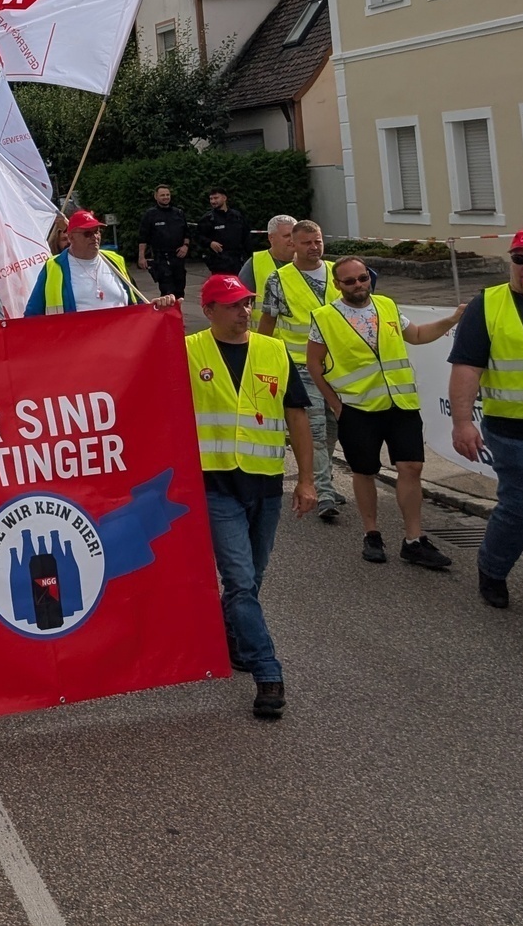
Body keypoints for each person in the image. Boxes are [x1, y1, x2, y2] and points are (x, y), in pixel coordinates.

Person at [187, 273, 316, 720]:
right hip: (216, 484)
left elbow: (296, 416)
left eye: (246, 303)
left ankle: (235, 636)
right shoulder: (186, 351)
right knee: (240, 580)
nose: (243, 312)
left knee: (254, 578)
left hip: (265, 482)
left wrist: (306, 479)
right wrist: (155, 314)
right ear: (209, 311)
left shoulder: (273, 350)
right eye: (232, 305)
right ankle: (268, 673)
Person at [307, 258, 461, 569]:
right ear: (338, 285)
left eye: (363, 278)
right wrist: (335, 404)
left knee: (412, 466)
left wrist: (452, 319)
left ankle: (414, 540)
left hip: (400, 404)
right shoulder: (324, 317)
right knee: (364, 471)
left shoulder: (387, 305)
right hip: (358, 408)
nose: (359, 285)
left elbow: (415, 334)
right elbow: (314, 365)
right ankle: (372, 533)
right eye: (350, 281)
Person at [448, 230, 523, 610]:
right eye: (519, 259)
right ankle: (493, 568)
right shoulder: (489, 304)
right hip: (520, 436)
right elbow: (467, 367)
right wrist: (463, 423)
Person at [256, 220, 347, 522]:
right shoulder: (279, 280)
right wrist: (263, 362)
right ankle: (322, 492)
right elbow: (267, 325)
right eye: (307, 242)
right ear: (293, 244)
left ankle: (326, 480)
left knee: (334, 426)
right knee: (315, 430)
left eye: (318, 241)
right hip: (299, 365)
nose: (314, 247)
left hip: (337, 366)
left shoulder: (338, 273)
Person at [25, 212, 177, 315]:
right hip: (77, 352)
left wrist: (156, 307)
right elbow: (32, 316)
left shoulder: (115, 260)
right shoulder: (53, 267)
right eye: (87, 233)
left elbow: (136, 302)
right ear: (71, 237)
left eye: (97, 231)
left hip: (122, 348)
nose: (95, 237)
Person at [136, 184, 192, 300]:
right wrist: (141, 257)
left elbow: (186, 233)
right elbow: (143, 238)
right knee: (167, 291)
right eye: (162, 195)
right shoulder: (150, 215)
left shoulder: (178, 213)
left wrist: (185, 246)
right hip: (161, 258)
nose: (165, 197)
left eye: (167, 195)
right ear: (156, 196)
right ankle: (168, 316)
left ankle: (178, 315)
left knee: (180, 290)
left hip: (177, 257)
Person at [197, 188, 250, 278]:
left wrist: (248, 256)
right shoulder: (208, 219)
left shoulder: (237, 216)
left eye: (216, 198)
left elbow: (246, 236)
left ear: (224, 198)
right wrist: (210, 243)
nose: (213, 201)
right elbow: (198, 236)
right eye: (211, 199)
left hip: (237, 260)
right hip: (218, 262)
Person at [245, 215, 298, 299]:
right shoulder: (255, 263)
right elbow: (240, 301)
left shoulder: (308, 261)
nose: (292, 240)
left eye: (294, 235)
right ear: (271, 238)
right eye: (287, 236)